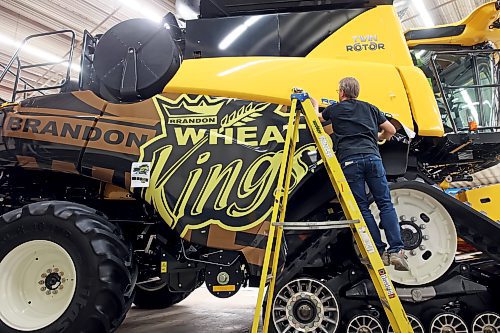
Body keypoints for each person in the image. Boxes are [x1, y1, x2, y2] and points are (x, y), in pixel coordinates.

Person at [311, 77, 409, 271]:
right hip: (373, 159)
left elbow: (316, 119)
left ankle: (378, 251)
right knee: (385, 203)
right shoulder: (370, 108)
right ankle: (397, 251)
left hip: (350, 161)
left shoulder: (335, 109)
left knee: (362, 208)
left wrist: (313, 103)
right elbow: (389, 129)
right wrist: (380, 137)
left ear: (341, 92)